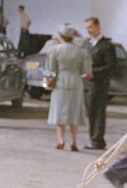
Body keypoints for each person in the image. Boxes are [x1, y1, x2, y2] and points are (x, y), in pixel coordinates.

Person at [46, 23, 92, 151]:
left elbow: (51, 69)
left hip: (60, 83)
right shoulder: (82, 52)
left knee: (60, 112)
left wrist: (49, 80)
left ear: (61, 36)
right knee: (74, 112)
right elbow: (86, 71)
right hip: (76, 83)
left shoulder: (54, 50)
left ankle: (61, 140)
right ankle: (74, 141)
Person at [83, 16, 117, 150]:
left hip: (99, 84)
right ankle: (93, 139)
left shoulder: (106, 46)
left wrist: (94, 73)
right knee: (90, 112)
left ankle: (97, 141)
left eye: (90, 27)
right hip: (86, 83)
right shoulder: (87, 43)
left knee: (98, 112)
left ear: (98, 27)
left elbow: (111, 66)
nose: (88, 30)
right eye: (86, 28)